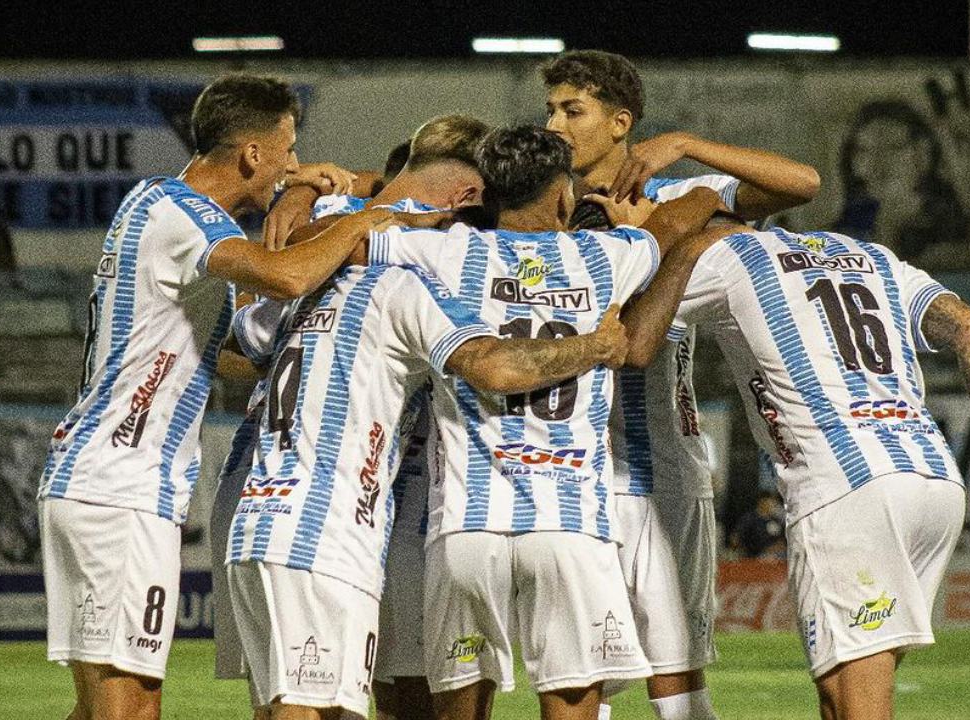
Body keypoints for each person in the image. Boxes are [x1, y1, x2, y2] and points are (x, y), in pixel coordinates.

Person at [37, 73, 392, 720]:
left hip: (99, 477)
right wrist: (368, 220)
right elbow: (285, 276)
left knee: (104, 707)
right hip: (121, 483)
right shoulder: (190, 219)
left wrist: (308, 184)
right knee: (130, 708)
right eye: (287, 151)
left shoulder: (156, 204)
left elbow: (218, 354)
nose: (293, 164)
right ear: (252, 153)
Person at [367, 124, 721, 720]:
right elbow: (682, 220)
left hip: (464, 528)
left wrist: (417, 221)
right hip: (569, 526)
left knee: (454, 707)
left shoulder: (444, 252)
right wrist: (684, 197)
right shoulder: (610, 255)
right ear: (563, 195)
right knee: (571, 702)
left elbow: (347, 234)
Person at [623, 219, 970, 720]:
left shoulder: (733, 256)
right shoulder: (875, 257)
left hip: (847, 489)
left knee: (856, 703)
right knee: (845, 694)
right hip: (935, 479)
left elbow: (636, 327)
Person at [225, 247, 632, 720]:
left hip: (256, 518)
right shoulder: (402, 287)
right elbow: (493, 366)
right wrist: (596, 346)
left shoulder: (304, 291)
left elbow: (234, 345)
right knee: (314, 707)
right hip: (326, 531)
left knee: (280, 704)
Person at [542, 48, 820, 720]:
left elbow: (800, 183)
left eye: (571, 110)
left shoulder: (675, 201)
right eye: (549, 109)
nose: (553, 124)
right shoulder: (534, 207)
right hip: (568, 478)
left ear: (619, 123)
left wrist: (690, 144)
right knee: (576, 686)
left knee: (677, 691)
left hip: (668, 475)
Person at [207, 116, 491, 719]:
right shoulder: (427, 264)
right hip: (333, 509)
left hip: (255, 492)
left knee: (303, 698)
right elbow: (488, 364)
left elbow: (235, 350)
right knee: (340, 701)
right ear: (468, 197)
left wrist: (308, 191)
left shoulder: (314, 251)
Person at [833, 100, 970, 261]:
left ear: (923, 154)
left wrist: (888, 228)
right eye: (863, 150)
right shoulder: (843, 232)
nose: (874, 165)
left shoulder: (954, 234)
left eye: (892, 148)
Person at [731, 492, 786, 560]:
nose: (770, 504)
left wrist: (774, 548)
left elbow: (782, 540)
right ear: (761, 502)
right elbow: (736, 536)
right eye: (767, 502)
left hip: (773, 554)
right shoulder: (750, 518)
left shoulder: (775, 519)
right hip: (752, 555)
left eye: (771, 502)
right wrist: (738, 550)